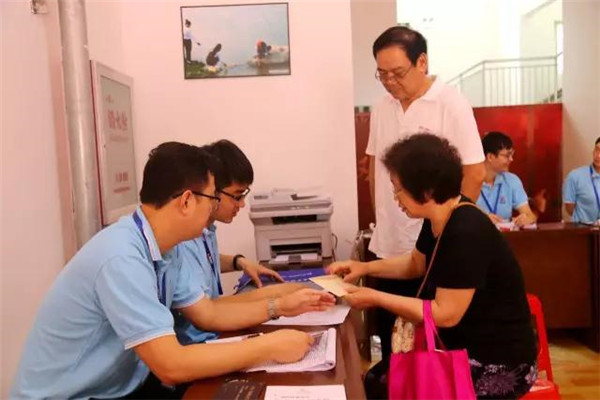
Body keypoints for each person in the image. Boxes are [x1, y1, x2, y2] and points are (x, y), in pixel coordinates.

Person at [11, 142, 335, 399]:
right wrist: (268, 347)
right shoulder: (121, 257)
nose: (214, 207)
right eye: (212, 197)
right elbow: (170, 365)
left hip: (121, 387)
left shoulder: (167, 246)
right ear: (186, 201)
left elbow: (208, 314)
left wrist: (277, 308)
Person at [331, 134, 537, 399]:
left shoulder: (466, 231)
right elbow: (415, 263)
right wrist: (364, 268)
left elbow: (445, 314)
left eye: (399, 189)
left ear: (427, 191)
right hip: (458, 345)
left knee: (384, 388)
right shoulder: (440, 216)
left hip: (497, 360)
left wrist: (375, 297)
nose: (395, 198)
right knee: (375, 380)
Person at [366, 25, 485, 359]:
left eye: (397, 73)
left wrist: (449, 233)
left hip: (433, 250)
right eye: (382, 74)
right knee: (393, 345)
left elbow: (474, 172)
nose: (390, 82)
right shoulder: (382, 107)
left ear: (422, 62)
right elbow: (375, 170)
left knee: (431, 350)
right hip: (389, 247)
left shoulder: (450, 103)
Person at [175, 139, 301, 344]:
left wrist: (239, 261)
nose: (242, 205)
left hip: (213, 334)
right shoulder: (184, 239)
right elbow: (210, 311)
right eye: (237, 196)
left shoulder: (206, 229)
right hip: (198, 342)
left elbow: (205, 260)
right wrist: (276, 302)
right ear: (212, 191)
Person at [476, 131, 537, 228]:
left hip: (505, 236)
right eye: (507, 156)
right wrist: (481, 219)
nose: (511, 159)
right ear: (490, 157)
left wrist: (527, 219)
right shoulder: (469, 181)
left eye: (512, 155)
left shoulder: (512, 180)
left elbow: (530, 215)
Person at [563, 137, 600, 224]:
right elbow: (570, 208)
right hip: (582, 228)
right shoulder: (575, 176)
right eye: (597, 150)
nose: (598, 155)